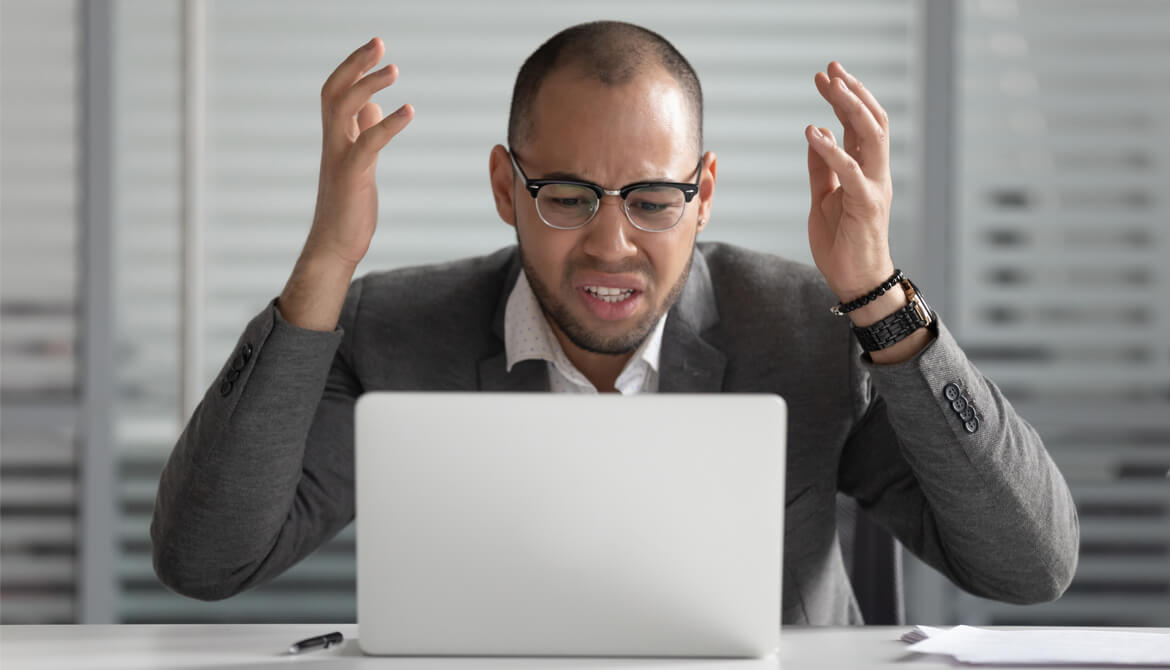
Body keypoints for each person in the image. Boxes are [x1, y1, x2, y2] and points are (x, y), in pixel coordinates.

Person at [151, 21, 1078, 624]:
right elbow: (205, 559)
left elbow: (1029, 564)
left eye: (652, 199)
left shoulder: (806, 330)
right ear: (504, 189)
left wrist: (877, 294)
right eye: (565, 195)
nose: (610, 243)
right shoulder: (396, 327)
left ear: (703, 195)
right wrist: (323, 264)